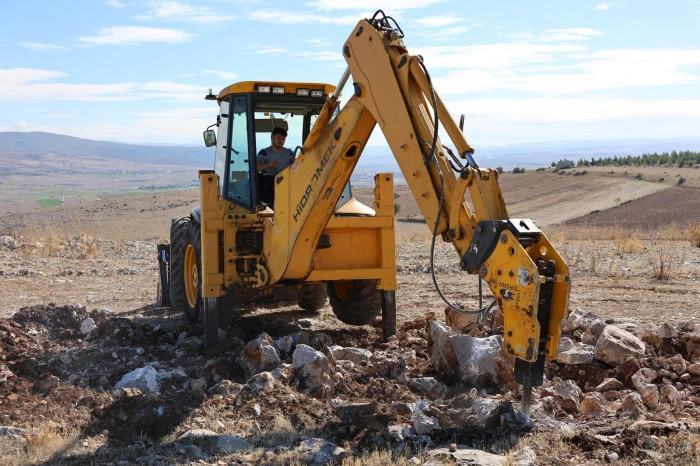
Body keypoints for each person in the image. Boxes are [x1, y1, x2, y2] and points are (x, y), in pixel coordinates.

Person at [257, 126, 294, 208]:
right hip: (269, 183)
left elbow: (297, 162)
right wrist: (268, 165)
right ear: (272, 137)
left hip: (285, 182)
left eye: (283, 139)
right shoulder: (264, 152)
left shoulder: (289, 152)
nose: (281, 141)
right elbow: (258, 167)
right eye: (279, 138)